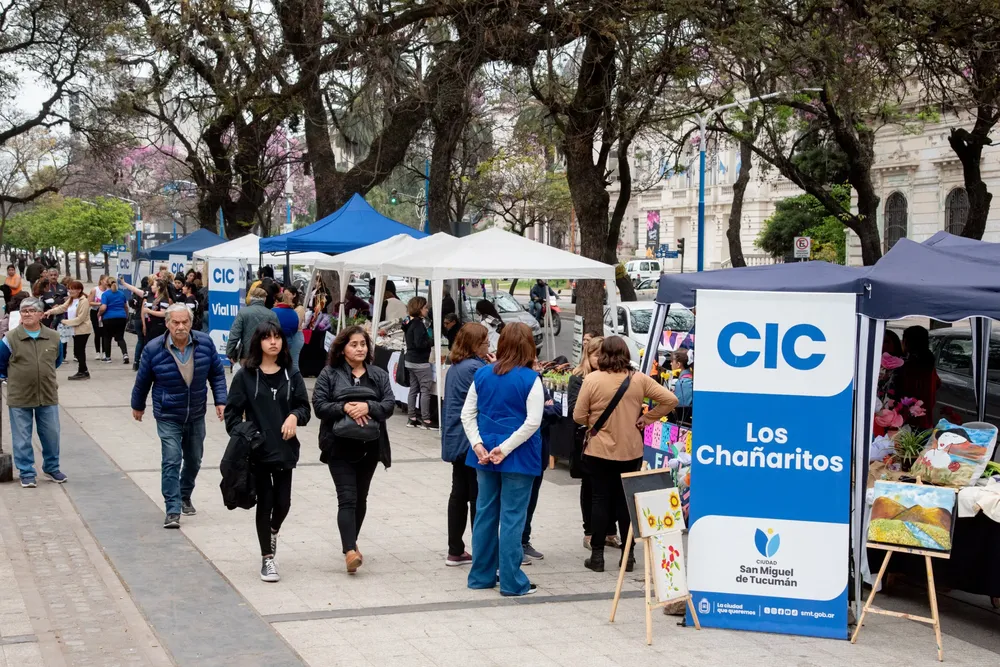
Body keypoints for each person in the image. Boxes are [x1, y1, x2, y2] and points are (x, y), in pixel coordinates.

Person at [574, 336, 678, 572]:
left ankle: (598, 556)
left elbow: (578, 416)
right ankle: (628, 557)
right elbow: (671, 399)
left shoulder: (592, 380)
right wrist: (647, 418)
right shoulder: (639, 379)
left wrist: (594, 421)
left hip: (598, 449)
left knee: (600, 499)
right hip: (631, 449)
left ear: (602, 355)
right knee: (625, 501)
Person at [461, 322, 543, 597]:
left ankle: (481, 575)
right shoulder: (531, 379)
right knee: (512, 517)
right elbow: (532, 422)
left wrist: (478, 445)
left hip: (484, 454)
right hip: (518, 456)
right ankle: (511, 581)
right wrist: (505, 449)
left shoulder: (482, 374)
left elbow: (467, 414)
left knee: (485, 513)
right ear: (529, 345)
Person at [224, 321, 311, 583]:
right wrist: (250, 437)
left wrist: (295, 416)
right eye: (267, 338)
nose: (273, 342)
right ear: (258, 342)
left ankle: (273, 531)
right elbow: (231, 416)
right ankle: (267, 559)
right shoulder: (245, 375)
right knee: (266, 502)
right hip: (257, 453)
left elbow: (304, 408)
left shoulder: (291, 374)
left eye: (277, 337)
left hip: (284, 450)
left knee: (283, 504)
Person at [131, 304, 227, 528]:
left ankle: (185, 494)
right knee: (172, 460)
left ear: (191, 323)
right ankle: (172, 509)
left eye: (185, 322)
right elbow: (143, 380)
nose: (180, 326)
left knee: (194, 459)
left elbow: (217, 374)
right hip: (168, 414)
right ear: (167, 323)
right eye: (175, 322)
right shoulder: (154, 348)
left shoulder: (204, 343)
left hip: (196, 413)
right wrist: (138, 405)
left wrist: (221, 400)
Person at [312, 325, 395, 573]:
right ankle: (349, 550)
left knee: (361, 498)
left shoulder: (378, 375)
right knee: (346, 498)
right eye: (354, 344)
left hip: (370, 446)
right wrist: (345, 408)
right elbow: (319, 405)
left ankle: (352, 543)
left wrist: (368, 407)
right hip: (339, 446)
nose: (360, 348)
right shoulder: (329, 374)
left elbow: (389, 405)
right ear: (342, 348)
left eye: (363, 344)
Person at [0, 297, 68, 487]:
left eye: (31, 311)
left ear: (40, 314)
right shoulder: (10, 338)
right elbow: (1, 363)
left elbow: (57, 360)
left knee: (51, 434)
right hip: (19, 395)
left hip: (47, 394)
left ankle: (52, 467)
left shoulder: (53, 337)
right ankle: (26, 471)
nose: (27, 314)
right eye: (24, 311)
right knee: (21, 437)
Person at [441, 322, 491, 567]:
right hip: (470, 439)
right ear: (474, 344)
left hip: (455, 437)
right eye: (485, 342)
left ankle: (455, 549)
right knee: (476, 495)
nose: (489, 345)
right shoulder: (476, 368)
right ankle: (480, 550)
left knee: (459, 493)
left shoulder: (456, 366)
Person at [569, 335, 619, 550]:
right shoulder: (579, 378)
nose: (599, 359)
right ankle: (589, 531)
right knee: (590, 487)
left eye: (603, 355)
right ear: (587, 356)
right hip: (587, 440)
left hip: (611, 439)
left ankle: (609, 531)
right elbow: (574, 409)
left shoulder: (613, 377)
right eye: (595, 355)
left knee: (612, 487)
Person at [892, 325, 941, 429]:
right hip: (926, 417)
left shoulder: (909, 366)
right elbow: (938, 383)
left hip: (911, 419)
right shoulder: (928, 363)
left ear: (906, 342)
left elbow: (903, 391)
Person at [43, 280, 92, 380]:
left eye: (73, 289)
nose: (70, 291)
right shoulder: (71, 299)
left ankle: (83, 371)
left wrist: (66, 322)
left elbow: (81, 318)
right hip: (74, 329)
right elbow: (62, 308)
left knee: (79, 351)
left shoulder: (84, 301)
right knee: (78, 351)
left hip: (82, 330)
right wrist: (50, 311)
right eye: (69, 288)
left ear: (79, 290)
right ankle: (83, 370)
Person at [403, 296, 435, 429]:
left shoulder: (408, 321)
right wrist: (431, 342)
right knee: (425, 389)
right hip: (420, 361)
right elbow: (419, 343)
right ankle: (426, 419)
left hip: (409, 360)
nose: (427, 310)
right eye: (425, 307)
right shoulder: (418, 324)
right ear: (419, 308)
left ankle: (412, 417)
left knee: (413, 389)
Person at [228, 288, 279, 364]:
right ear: (264, 299)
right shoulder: (272, 314)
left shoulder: (243, 312)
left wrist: (230, 353)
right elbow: (278, 335)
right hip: (265, 354)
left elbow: (234, 335)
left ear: (251, 298)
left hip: (246, 354)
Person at [98, 279, 130, 363]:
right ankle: (125, 354)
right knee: (120, 337)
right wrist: (126, 316)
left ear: (107, 285)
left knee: (107, 337)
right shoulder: (121, 294)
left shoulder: (105, 295)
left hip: (109, 318)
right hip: (121, 317)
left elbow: (103, 307)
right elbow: (125, 306)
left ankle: (108, 357)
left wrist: (99, 313)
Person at [142, 278, 172, 346]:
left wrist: (149, 311)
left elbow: (164, 313)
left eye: (153, 285)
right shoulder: (154, 297)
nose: (151, 286)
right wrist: (124, 283)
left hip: (158, 326)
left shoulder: (163, 298)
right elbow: (137, 291)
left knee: (155, 345)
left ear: (158, 287)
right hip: (151, 324)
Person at [669, 349, 693, 425]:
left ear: (678, 364)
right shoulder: (690, 378)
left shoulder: (683, 383)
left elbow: (680, 409)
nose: (670, 363)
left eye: (672, 361)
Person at [88, 275, 108, 360]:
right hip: (95, 312)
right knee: (97, 332)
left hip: (105, 312)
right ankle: (97, 352)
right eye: (105, 280)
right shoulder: (95, 290)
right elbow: (89, 302)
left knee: (104, 332)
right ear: (101, 281)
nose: (107, 282)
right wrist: (99, 304)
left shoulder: (108, 291)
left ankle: (104, 351)